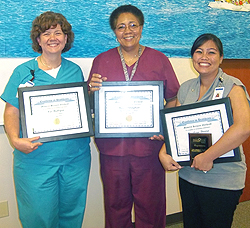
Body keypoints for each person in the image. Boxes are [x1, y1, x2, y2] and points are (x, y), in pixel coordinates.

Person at [88, 4, 180, 228]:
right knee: (115, 206)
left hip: (148, 148)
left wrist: (163, 129)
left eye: (133, 25)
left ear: (141, 27)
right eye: (121, 27)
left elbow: (174, 98)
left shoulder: (159, 59)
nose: (127, 31)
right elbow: (93, 104)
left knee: (151, 205)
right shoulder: (101, 60)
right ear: (114, 31)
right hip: (112, 150)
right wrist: (91, 90)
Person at [1, 11, 91, 228]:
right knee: (38, 218)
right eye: (46, 33)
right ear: (38, 39)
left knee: (72, 215)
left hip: (75, 159)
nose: (53, 37)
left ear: (66, 38)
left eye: (58, 32)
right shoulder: (23, 72)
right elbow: (11, 111)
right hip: (36, 160)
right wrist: (15, 140)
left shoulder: (75, 70)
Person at [159, 33, 250, 228]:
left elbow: (244, 128)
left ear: (221, 58)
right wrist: (163, 151)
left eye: (211, 52)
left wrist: (208, 156)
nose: (204, 57)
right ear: (192, 57)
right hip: (189, 176)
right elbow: (178, 128)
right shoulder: (186, 88)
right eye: (199, 52)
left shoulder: (233, 87)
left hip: (222, 180)